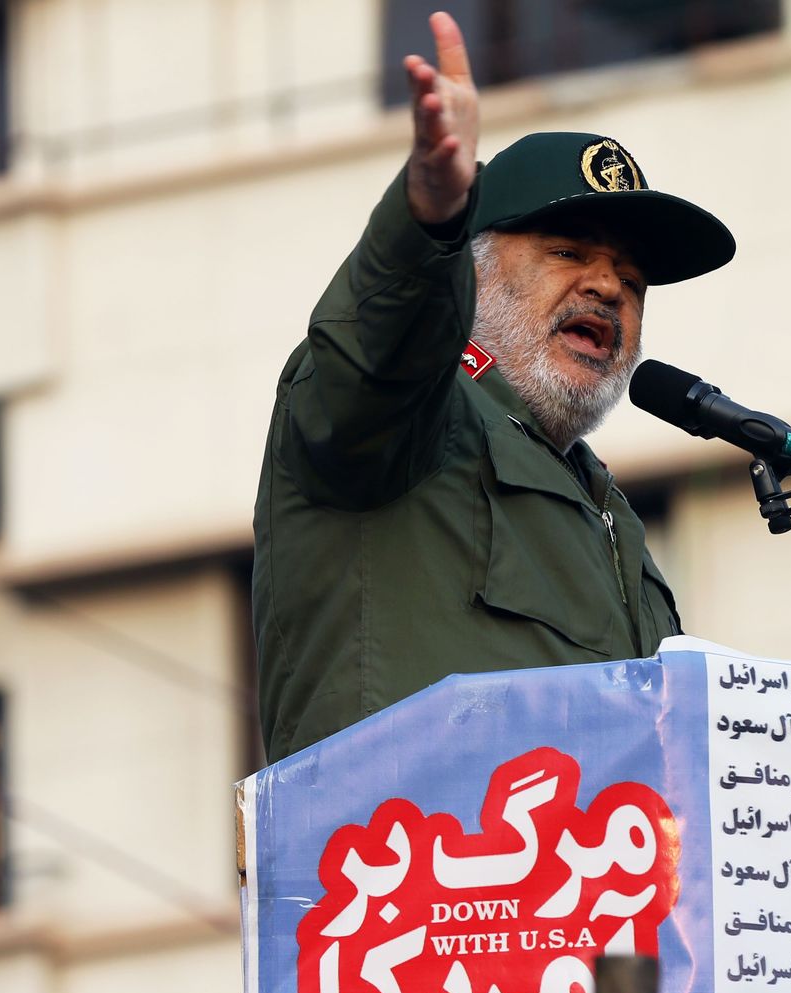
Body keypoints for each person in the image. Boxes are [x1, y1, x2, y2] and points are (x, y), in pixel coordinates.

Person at [251, 11, 735, 762]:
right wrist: (430, 219)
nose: (607, 286)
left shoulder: (611, 518)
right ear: (472, 274)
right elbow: (378, 348)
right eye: (567, 250)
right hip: (405, 867)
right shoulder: (407, 417)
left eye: (633, 281)